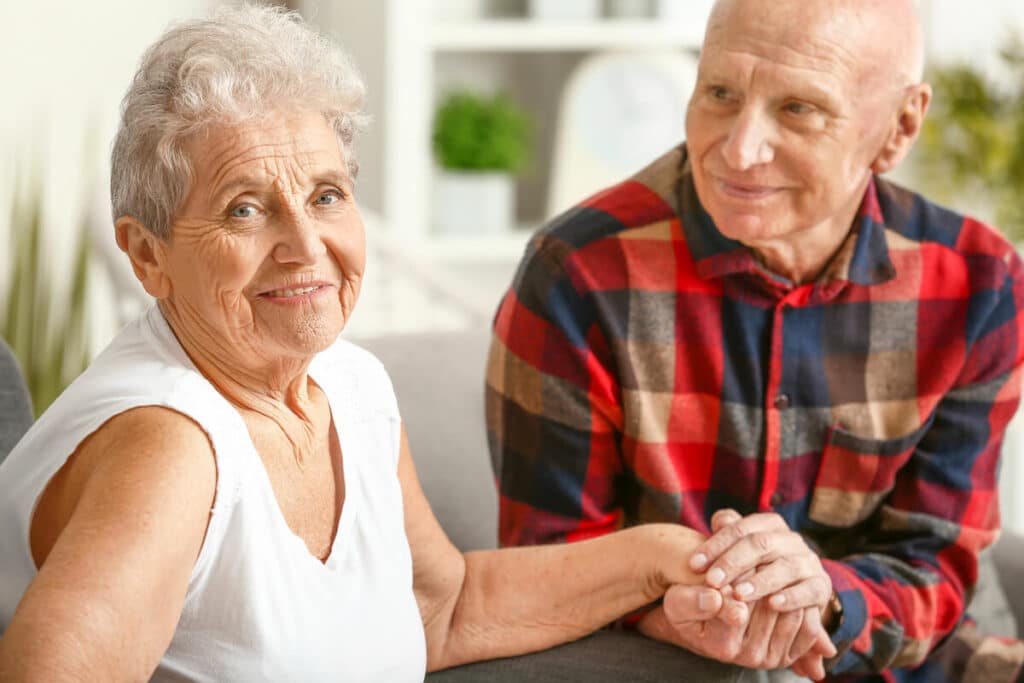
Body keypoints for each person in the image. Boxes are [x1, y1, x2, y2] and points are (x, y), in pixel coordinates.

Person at [0, 6, 728, 681]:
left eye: (325, 195)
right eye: (244, 208)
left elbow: (442, 605)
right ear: (148, 255)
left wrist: (666, 557)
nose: (305, 245)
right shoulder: (171, 448)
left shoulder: (351, 386)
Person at [486, 0, 1024, 680]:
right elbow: (546, 570)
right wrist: (675, 609)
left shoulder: (981, 283)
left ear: (899, 127)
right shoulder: (577, 274)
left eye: (798, 108)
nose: (738, 150)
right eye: (720, 93)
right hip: (668, 663)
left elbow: (937, 561)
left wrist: (821, 594)